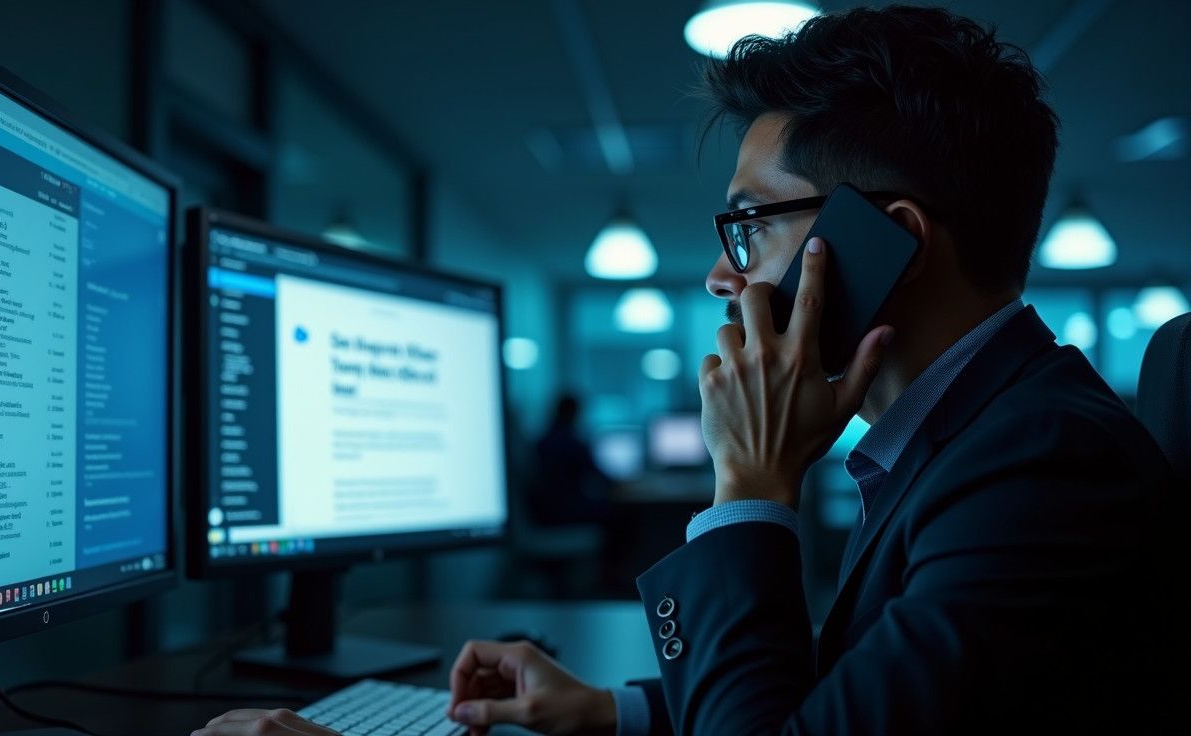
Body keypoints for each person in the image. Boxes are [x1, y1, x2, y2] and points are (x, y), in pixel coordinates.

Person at [196, 5, 1182, 735]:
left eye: (750, 224)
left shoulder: (1040, 470)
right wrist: (611, 711)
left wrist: (749, 489)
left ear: (889, 242)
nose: (721, 274)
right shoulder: (972, 434)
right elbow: (848, 700)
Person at [528, 394, 612, 527]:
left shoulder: (541, 442)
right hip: (566, 509)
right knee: (615, 510)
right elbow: (597, 474)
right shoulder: (573, 444)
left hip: (545, 510)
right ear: (574, 413)